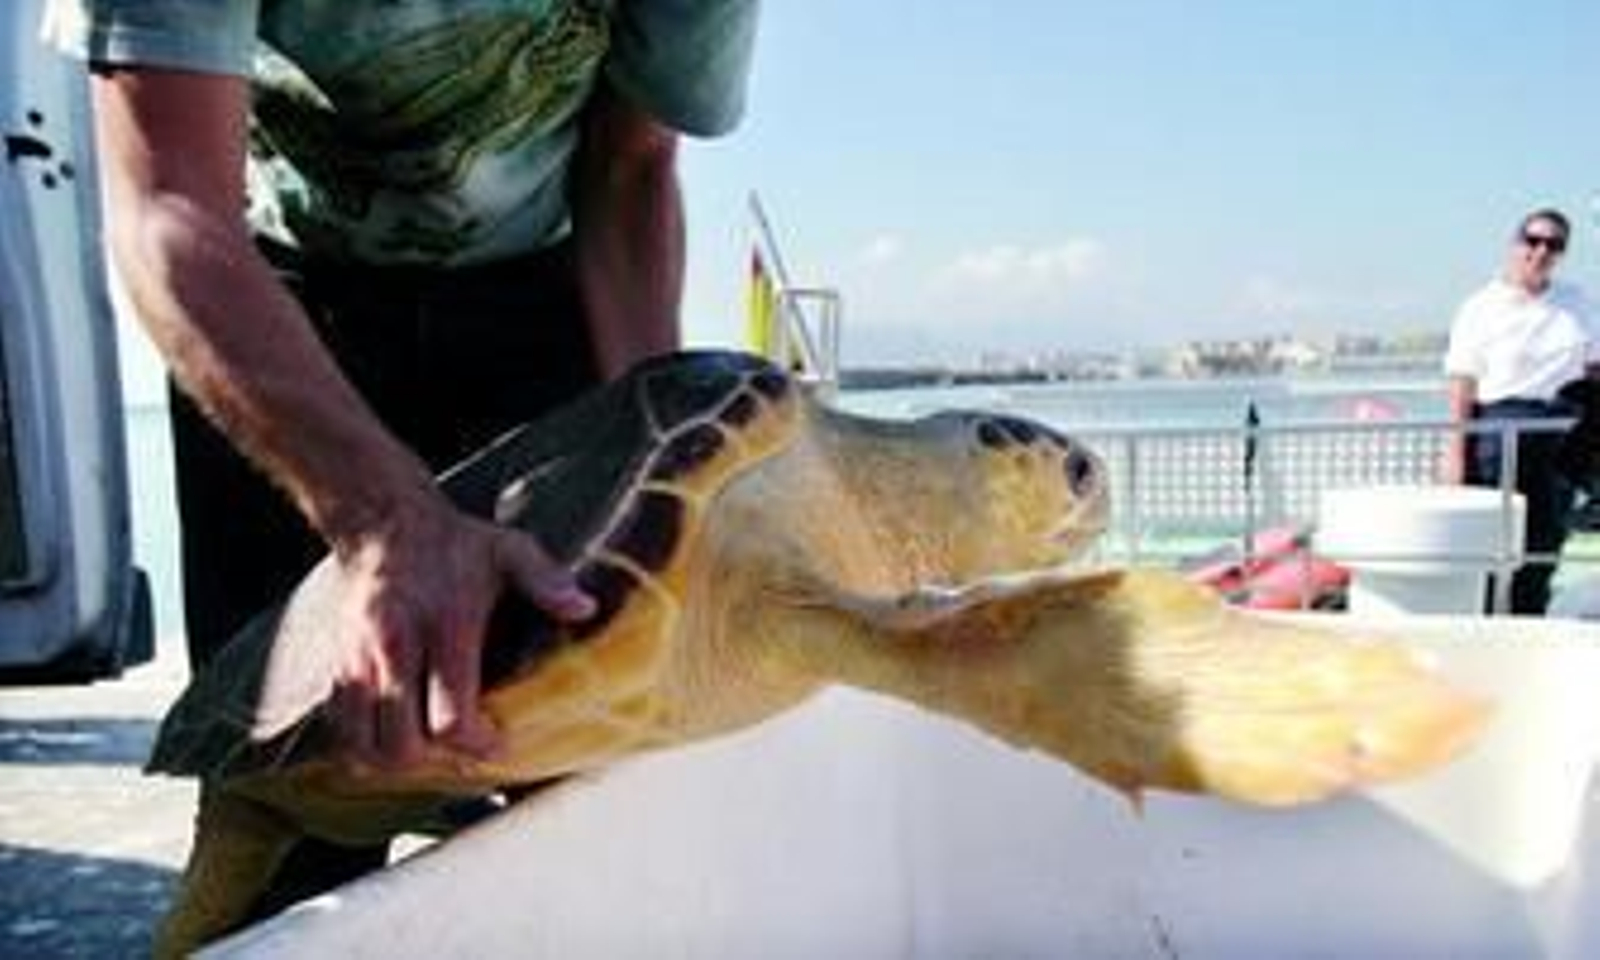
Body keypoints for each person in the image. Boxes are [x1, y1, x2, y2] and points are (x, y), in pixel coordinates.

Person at [48, 0, 760, 922]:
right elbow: (171, 202)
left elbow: (629, 170)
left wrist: (658, 500)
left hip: (542, 290)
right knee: (301, 817)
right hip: (269, 301)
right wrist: (383, 522)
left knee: (595, 790)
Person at [1443, 208, 1599, 614]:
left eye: (1554, 244)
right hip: (1499, 432)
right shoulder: (1480, 306)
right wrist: (1454, 455)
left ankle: (1530, 622)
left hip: (1560, 434)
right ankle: (1486, 626)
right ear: (1516, 243)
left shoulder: (1578, 302)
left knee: (1545, 544)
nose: (1541, 251)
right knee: (1492, 545)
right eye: (1533, 240)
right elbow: (1462, 385)